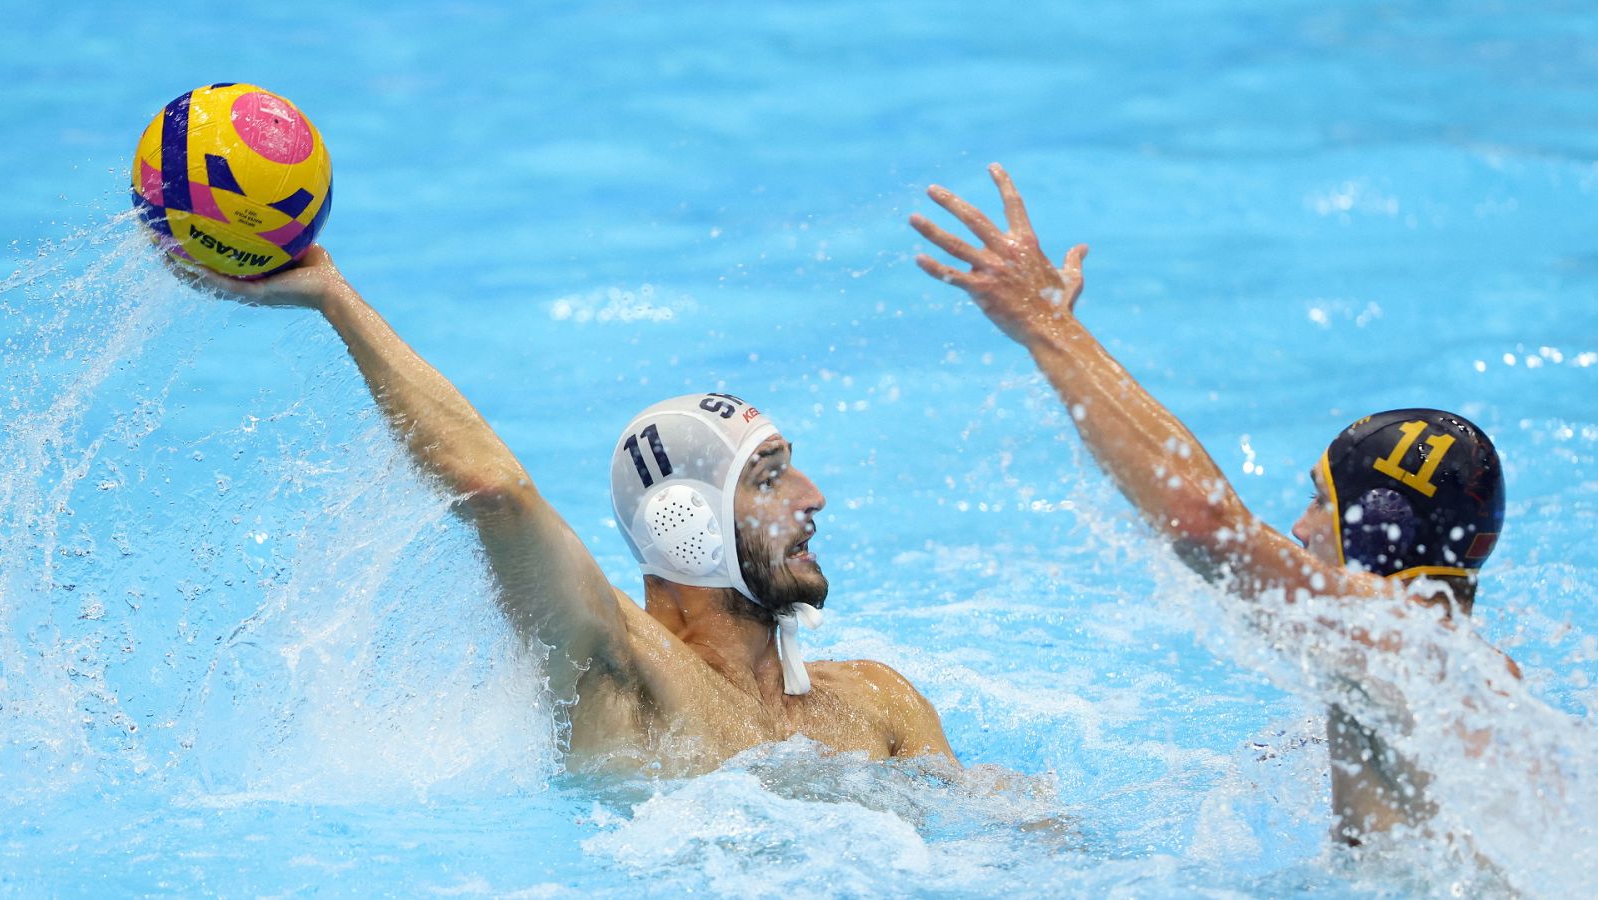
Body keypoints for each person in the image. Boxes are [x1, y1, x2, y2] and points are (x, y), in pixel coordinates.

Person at [910, 164, 1517, 845]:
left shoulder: (1392, 641)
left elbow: (1204, 522)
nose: (1299, 525)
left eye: (1322, 503)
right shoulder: (1465, 672)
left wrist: (1047, 328)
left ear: (1381, 526)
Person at [183, 247, 955, 775]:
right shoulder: (618, 676)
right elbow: (493, 492)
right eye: (769, 478)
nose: (812, 496)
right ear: (684, 524)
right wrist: (333, 297)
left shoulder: (877, 701)